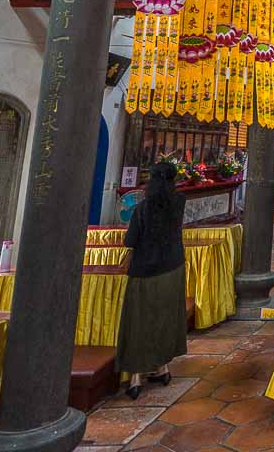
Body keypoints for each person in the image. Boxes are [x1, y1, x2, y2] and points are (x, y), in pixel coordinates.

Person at [116, 161, 189, 398]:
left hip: (145, 270)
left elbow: (131, 240)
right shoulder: (178, 203)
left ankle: (136, 376)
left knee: (138, 321)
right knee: (166, 316)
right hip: (172, 267)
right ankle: (162, 366)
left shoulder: (143, 209)